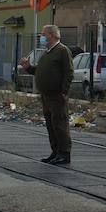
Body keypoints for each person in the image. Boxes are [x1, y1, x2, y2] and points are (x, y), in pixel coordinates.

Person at [34, 24, 73, 165]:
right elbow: (40, 71)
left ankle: (64, 153)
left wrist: (64, 91)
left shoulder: (62, 51)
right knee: (51, 125)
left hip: (57, 96)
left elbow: (69, 72)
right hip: (46, 96)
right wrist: (28, 68)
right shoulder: (47, 52)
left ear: (51, 35)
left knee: (60, 125)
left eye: (43, 34)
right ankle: (55, 152)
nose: (41, 37)